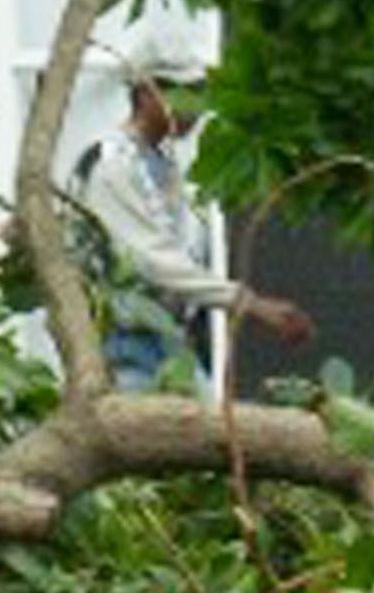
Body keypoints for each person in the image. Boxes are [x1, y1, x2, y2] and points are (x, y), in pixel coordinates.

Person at [65, 33, 311, 386]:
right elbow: (151, 260)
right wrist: (247, 303)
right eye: (184, 93)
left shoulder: (162, 161)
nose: (194, 107)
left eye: (199, 93)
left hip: (168, 338)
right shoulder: (112, 164)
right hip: (124, 342)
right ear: (146, 92)